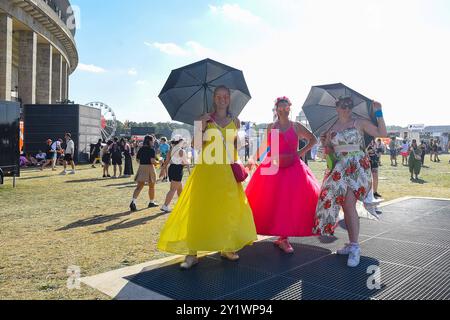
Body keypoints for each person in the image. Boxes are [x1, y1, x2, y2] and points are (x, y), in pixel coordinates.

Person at [157, 85, 257, 269]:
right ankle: (192, 253)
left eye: (225, 96)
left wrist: (241, 152)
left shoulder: (236, 120)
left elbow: (236, 147)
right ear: (214, 98)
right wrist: (201, 126)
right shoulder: (203, 119)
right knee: (200, 207)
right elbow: (195, 146)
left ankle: (227, 248)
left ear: (229, 98)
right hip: (207, 171)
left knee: (228, 209)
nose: (222, 99)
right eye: (218, 96)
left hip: (227, 171)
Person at [313, 96, 387, 268]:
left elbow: (382, 134)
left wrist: (379, 111)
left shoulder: (359, 122)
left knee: (349, 204)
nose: (346, 108)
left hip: (356, 167)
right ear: (336, 107)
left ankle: (354, 247)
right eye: (343, 105)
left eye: (349, 105)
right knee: (344, 206)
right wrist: (325, 144)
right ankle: (352, 244)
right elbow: (329, 153)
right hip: (339, 168)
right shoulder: (331, 128)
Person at [245, 96, 320, 253]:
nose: (283, 110)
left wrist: (299, 153)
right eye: (280, 107)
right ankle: (257, 233)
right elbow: (265, 145)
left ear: (289, 109)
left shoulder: (296, 126)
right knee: (269, 201)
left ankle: (284, 238)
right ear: (276, 109)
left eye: (286, 107)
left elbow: (313, 140)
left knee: (289, 202)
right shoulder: (271, 126)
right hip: (273, 167)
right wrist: (253, 158)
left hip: (293, 168)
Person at [160, 135, 189, 213]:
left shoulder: (171, 150)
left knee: (179, 188)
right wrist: (190, 171)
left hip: (171, 169)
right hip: (177, 169)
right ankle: (165, 206)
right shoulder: (181, 151)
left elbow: (166, 162)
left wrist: (162, 170)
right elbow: (185, 163)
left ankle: (181, 204)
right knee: (173, 189)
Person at [130, 135, 159, 212]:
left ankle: (133, 201)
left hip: (142, 167)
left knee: (139, 187)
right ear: (149, 141)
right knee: (151, 186)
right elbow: (153, 161)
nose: (153, 142)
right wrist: (159, 162)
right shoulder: (151, 150)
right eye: (152, 141)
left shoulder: (141, 149)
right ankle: (151, 202)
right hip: (149, 168)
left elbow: (137, 160)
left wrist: (143, 163)